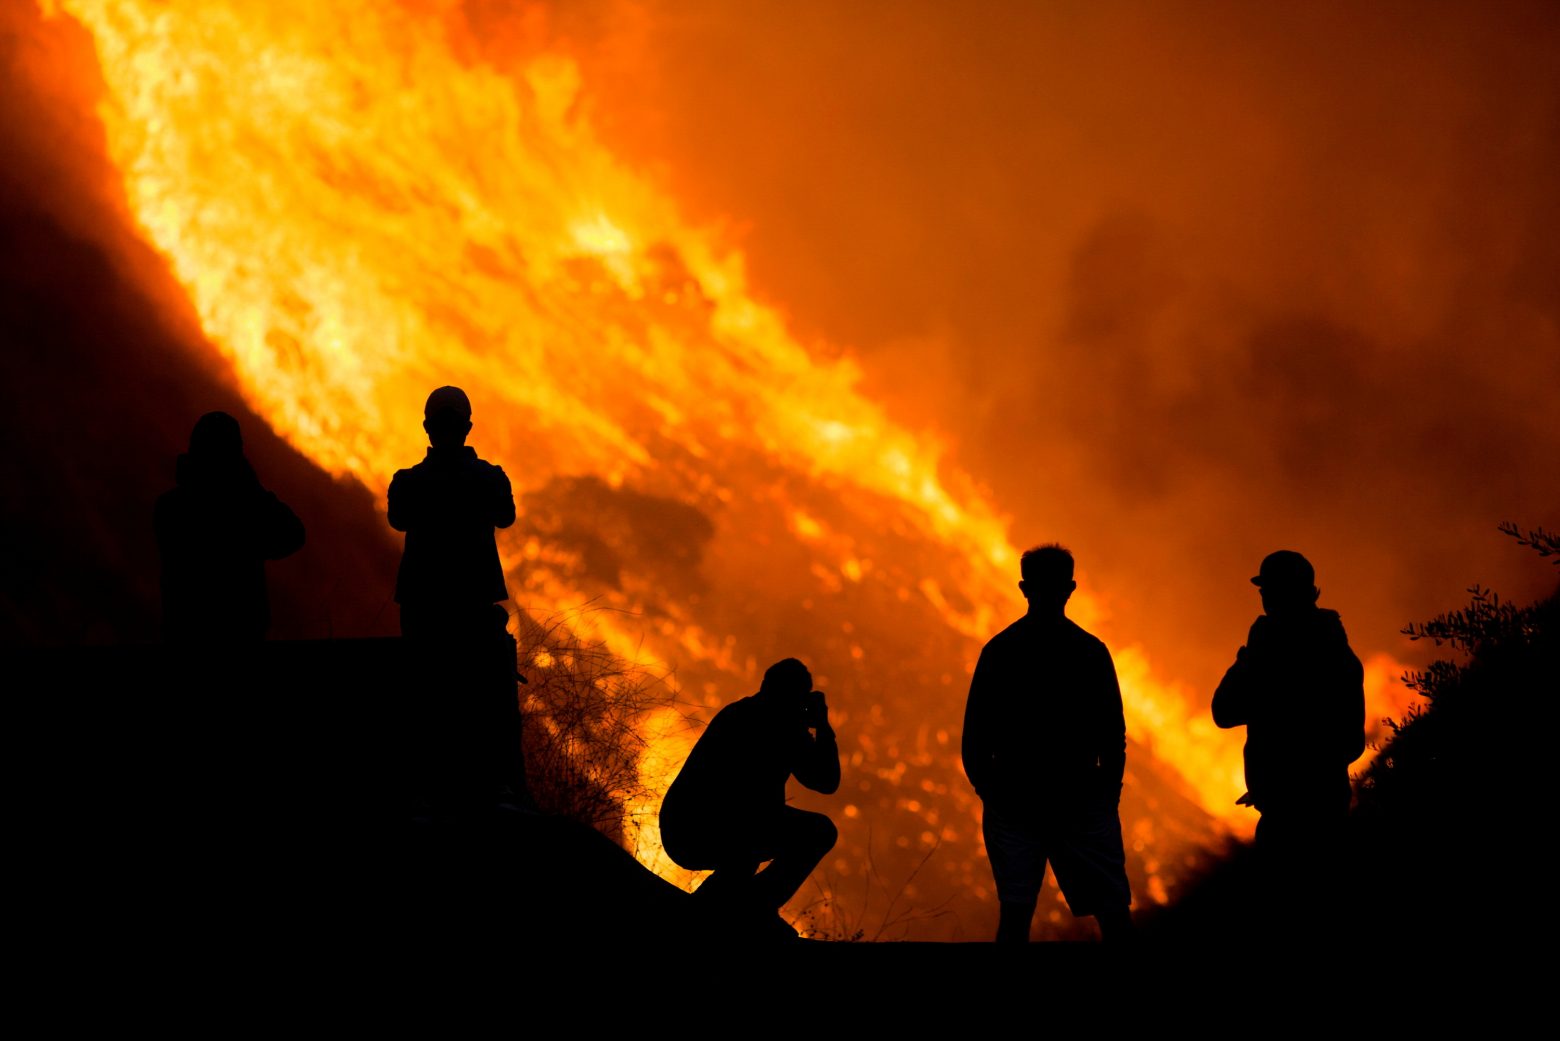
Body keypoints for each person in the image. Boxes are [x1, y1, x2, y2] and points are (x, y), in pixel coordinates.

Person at [962, 544, 1132, 943]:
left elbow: (975, 735)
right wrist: (1106, 793)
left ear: (1024, 588)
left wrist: (992, 791)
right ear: (1071, 588)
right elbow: (1112, 733)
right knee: (1113, 916)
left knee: (1015, 915)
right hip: (1079, 798)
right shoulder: (1090, 651)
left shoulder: (1001, 650)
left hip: (1018, 799)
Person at [1213, 550, 1364, 925]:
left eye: (1270, 590)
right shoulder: (1339, 654)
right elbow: (1351, 743)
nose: (1265, 599)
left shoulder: (1273, 658)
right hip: (1325, 808)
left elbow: (1224, 711)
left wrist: (1249, 658)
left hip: (1292, 819)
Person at [659, 658, 840, 939]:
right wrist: (821, 727)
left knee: (757, 842)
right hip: (700, 828)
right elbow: (825, 781)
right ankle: (751, 907)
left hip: (691, 829)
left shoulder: (751, 714)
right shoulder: (771, 722)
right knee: (810, 832)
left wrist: (820, 728)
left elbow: (825, 782)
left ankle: (741, 906)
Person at [154, 411, 305, 643]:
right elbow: (292, 534)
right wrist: (252, 487)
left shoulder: (168, 507)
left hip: (185, 636)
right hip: (238, 635)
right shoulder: (243, 510)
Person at [387, 386, 516, 640]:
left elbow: (397, 520)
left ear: (426, 427)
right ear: (467, 427)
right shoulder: (491, 478)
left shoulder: (407, 483)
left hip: (422, 607)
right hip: (474, 603)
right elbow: (506, 518)